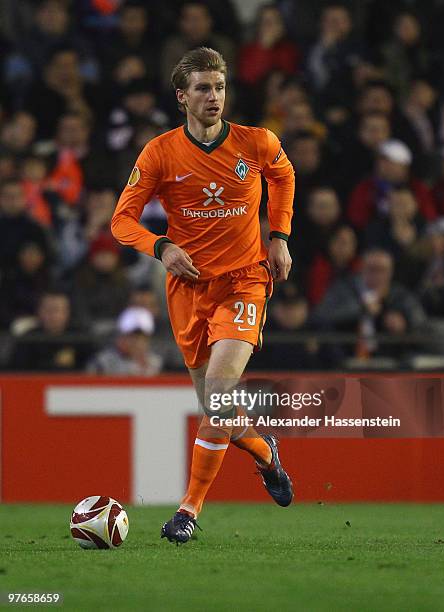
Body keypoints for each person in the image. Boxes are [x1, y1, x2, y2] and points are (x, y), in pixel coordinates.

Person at [111, 47, 295, 544]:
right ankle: (263, 451)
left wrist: (278, 236)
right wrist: (161, 246)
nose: (213, 97)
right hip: (188, 289)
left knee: (217, 393)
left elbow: (283, 175)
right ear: (182, 96)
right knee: (217, 408)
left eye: (219, 87)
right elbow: (121, 220)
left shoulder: (256, 143)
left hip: (245, 280)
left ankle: (188, 510)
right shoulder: (160, 153)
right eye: (202, 88)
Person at [87, 306, 163, 375]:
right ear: (120, 337)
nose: (137, 342)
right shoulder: (102, 363)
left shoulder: (156, 364)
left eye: (141, 337)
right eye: (131, 336)